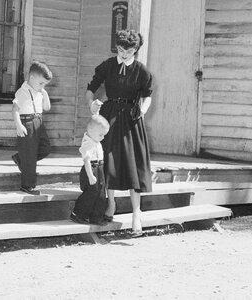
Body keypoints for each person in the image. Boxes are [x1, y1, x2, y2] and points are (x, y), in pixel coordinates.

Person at [86, 29, 153, 237]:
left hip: (132, 119)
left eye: (130, 50)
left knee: (133, 166)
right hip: (109, 118)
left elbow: (148, 96)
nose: (124, 53)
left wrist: (142, 111)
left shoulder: (142, 71)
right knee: (110, 161)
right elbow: (91, 88)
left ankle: (136, 214)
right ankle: (111, 204)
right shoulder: (107, 66)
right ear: (117, 47)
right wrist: (91, 105)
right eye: (121, 49)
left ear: (136, 49)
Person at [12, 61, 52, 195]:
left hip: (39, 122)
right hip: (27, 123)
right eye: (41, 83)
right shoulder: (22, 92)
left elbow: (46, 108)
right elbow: (15, 109)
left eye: (45, 84)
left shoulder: (39, 91)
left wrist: (45, 93)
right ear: (32, 78)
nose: (42, 86)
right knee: (29, 157)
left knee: (45, 148)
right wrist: (18, 124)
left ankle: (20, 158)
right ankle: (27, 186)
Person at [70, 114, 110, 225]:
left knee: (101, 193)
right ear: (91, 130)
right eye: (101, 134)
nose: (103, 137)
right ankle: (77, 214)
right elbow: (86, 161)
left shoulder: (95, 140)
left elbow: (95, 118)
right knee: (91, 193)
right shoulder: (87, 143)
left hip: (99, 168)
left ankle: (96, 217)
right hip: (91, 169)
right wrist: (90, 175)